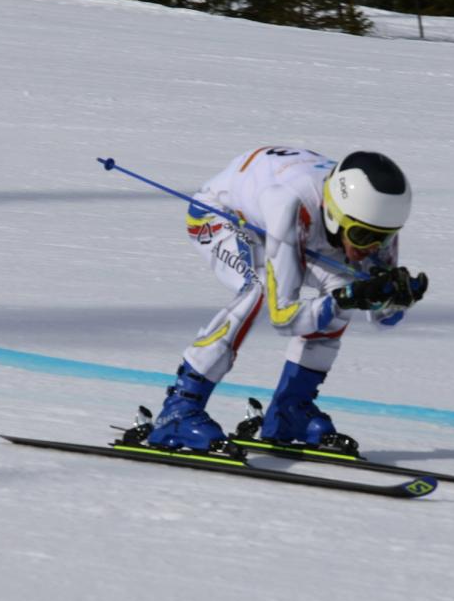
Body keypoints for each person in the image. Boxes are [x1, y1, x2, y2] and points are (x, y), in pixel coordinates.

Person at [145, 145, 428, 453]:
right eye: (361, 236)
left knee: (345, 290)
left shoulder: (369, 216)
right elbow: (283, 316)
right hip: (222, 216)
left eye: (384, 237)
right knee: (258, 288)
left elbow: (384, 319)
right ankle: (179, 410)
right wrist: (348, 298)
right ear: (335, 213)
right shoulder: (289, 202)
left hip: (301, 226)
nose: (371, 249)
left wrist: (397, 297)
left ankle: (290, 410)